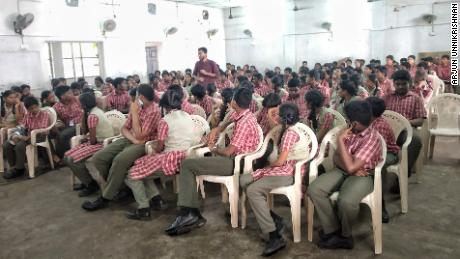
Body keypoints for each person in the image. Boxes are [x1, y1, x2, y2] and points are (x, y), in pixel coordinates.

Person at [165, 87, 260, 236]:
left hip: (235, 163)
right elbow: (225, 123)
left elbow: (228, 151)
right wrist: (216, 129)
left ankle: (189, 212)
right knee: (189, 163)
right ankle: (189, 212)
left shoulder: (243, 123)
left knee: (187, 164)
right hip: (237, 160)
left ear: (234, 101)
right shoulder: (244, 114)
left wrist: (213, 148)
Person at [307, 100, 383, 250]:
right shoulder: (349, 131)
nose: (346, 122)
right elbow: (337, 158)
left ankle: (346, 236)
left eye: (348, 119)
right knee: (314, 190)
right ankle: (332, 230)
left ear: (354, 122)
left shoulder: (372, 138)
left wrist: (341, 141)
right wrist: (350, 166)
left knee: (346, 202)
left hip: (365, 175)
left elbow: (349, 165)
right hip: (346, 170)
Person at [240, 103, 309, 256]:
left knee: (253, 189)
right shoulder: (290, 127)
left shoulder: (290, 133)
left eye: (278, 115)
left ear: (283, 119)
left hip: (290, 172)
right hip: (284, 169)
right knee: (244, 180)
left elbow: (280, 162)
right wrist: (273, 112)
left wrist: (266, 167)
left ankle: (274, 236)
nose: (275, 117)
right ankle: (275, 219)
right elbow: (274, 125)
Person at [81, 84, 161, 211]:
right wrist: (133, 138)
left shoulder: (154, 111)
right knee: (99, 158)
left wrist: (134, 113)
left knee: (119, 160)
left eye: (135, 96)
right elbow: (124, 128)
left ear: (141, 96)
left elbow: (141, 135)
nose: (133, 99)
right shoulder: (138, 108)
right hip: (131, 139)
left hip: (145, 144)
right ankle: (120, 187)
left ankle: (106, 197)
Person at [124, 89, 200, 220]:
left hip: (171, 159)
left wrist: (153, 150)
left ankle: (143, 209)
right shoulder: (188, 116)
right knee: (143, 171)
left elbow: (159, 147)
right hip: (186, 156)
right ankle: (156, 198)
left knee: (131, 175)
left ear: (165, 105)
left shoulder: (165, 121)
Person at [63, 92, 115, 197]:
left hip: (101, 143)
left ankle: (91, 184)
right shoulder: (96, 111)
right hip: (99, 140)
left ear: (84, 104)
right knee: (67, 156)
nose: (79, 105)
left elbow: (92, 141)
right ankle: (85, 181)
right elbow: (87, 133)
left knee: (72, 159)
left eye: (80, 103)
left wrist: (85, 141)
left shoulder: (92, 116)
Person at [384, 69, 425, 177]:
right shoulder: (387, 97)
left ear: (409, 83)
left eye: (404, 84)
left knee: (415, 140)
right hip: (387, 130)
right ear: (394, 84)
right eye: (397, 84)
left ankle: (403, 173)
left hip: (406, 130)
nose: (400, 86)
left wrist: (405, 123)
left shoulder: (415, 98)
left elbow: (421, 120)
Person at [366, 97, 400, 223]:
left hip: (390, 153)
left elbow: (377, 151)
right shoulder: (369, 121)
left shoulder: (379, 126)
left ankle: (381, 205)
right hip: (376, 151)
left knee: (377, 168)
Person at [3, 96, 50, 179]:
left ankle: (19, 169)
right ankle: (14, 167)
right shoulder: (28, 115)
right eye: (31, 108)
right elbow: (22, 126)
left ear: (38, 105)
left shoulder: (44, 114)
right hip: (27, 136)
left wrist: (25, 137)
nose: (34, 110)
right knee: (7, 144)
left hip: (39, 136)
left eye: (36, 107)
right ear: (28, 109)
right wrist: (16, 135)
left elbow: (42, 129)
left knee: (20, 145)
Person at [52, 85, 82, 162]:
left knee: (62, 135)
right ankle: (55, 156)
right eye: (69, 93)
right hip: (67, 127)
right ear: (62, 96)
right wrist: (58, 123)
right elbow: (54, 119)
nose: (72, 94)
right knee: (51, 134)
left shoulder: (77, 99)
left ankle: (63, 158)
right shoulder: (56, 107)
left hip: (81, 125)